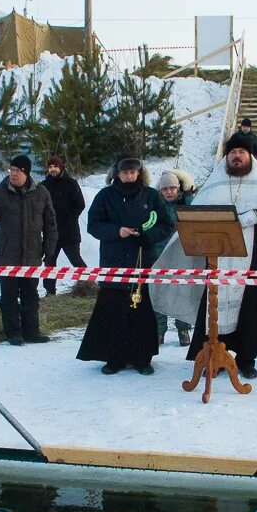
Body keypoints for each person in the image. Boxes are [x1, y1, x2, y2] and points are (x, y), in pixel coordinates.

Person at [152, 138, 257, 379]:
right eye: (233, 151)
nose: (237, 156)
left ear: (250, 156)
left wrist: (251, 216)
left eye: (242, 151)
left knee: (250, 308)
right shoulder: (217, 181)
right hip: (216, 257)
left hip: (250, 258)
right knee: (213, 306)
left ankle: (246, 359)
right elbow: (200, 210)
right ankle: (212, 355)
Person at [77, 156, 174, 375]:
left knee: (141, 313)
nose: (129, 176)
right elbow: (94, 225)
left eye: (133, 172)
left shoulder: (151, 195)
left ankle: (142, 359)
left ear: (139, 173)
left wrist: (147, 236)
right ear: (117, 174)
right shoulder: (105, 196)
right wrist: (117, 232)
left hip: (142, 259)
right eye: (125, 172)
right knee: (113, 312)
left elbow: (166, 224)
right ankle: (114, 358)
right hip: (114, 261)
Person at [0, 155, 58, 346]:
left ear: (26, 173)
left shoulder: (41, 193)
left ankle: (32, 331)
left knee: (31, 295)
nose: (13, 174)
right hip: (6, 255)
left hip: (32, 255)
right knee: (9, 296)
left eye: (17, 171)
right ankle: (13, 332)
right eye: (11, 170)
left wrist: (49, 249)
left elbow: (51, 224)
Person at [151, 169, 195, 346]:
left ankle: (183, 329)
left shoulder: (186, 203)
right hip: (159, 253)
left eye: (172, 188)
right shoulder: (155, 205)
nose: (169, 192)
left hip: (182, 253)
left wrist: (190, 196)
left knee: (182, 292)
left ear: (179, 189)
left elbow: (196, 213)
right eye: (165, 189)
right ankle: (159, 330)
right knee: (159, 293)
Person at [39, 155, 87, 296]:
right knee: (49, 262)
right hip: (50, 231)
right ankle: (50, 291)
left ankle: (88, 285)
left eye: (56, 166)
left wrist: (69, 219)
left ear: (61, 167)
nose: (53, 169)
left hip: (69, 231)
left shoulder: (71, 183)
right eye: (50, 167)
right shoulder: (43, 186)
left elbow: (80, 205)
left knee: (75, 259)